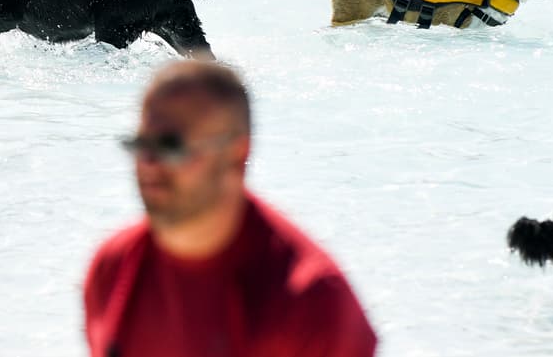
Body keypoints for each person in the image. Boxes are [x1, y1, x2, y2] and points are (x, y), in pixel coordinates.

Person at [84, 61, 377, 357]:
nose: (147, 162)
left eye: (169, 145)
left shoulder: (313, 302)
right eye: (140, 144)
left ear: (237, 153)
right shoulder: (113, 267)